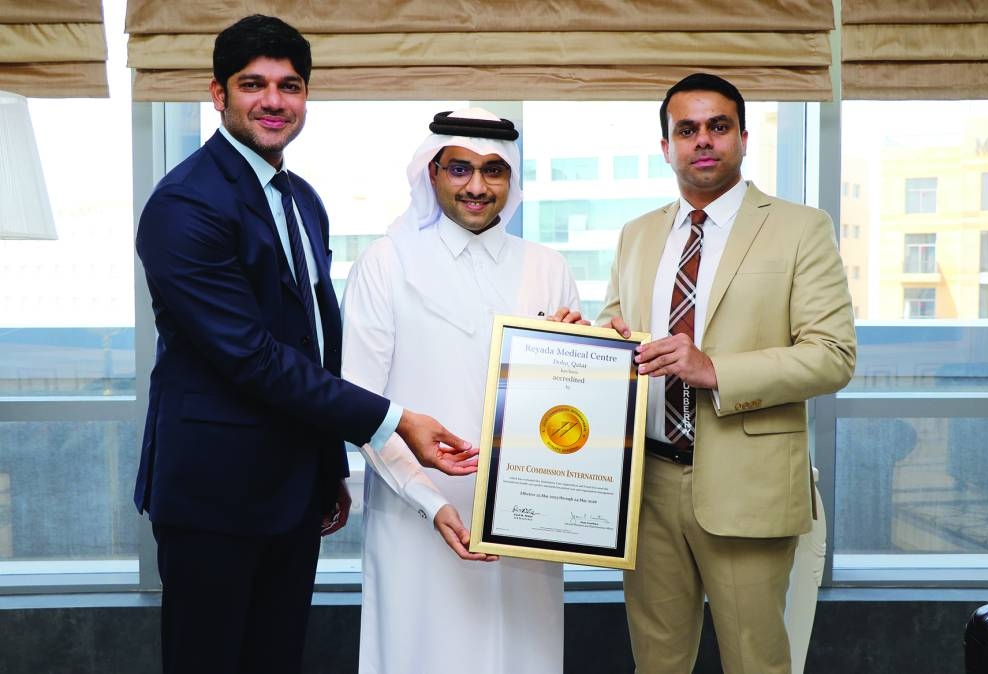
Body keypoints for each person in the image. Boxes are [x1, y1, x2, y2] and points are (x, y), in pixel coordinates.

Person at [133, 15, 475, 674]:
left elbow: (313, 342)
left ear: (305, 97)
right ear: (218, 94)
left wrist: (325, 467)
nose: (273, 101)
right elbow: (251, 356)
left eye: (289, 86)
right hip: (213, 495)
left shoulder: (302, 200)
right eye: (252, 84)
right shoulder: (185, 205)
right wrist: (395, 421)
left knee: (275, 659)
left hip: (290, 491)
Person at [597, 73, 856, 673]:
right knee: (657, 662)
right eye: (686, 130)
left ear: (743, 138)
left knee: (755, 663)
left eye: (718, 127)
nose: (703, 141)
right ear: (666, 147)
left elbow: (833, 354)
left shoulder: (800, 228)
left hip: (750, 484)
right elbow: (619, 333)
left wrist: (715, 370)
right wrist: (580, 340)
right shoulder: (637, 236)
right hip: (648, 485)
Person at [340, 108, 581, 674]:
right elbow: (363, 408)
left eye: (494, 171)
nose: (477, 186)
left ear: (511, 180)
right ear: (432, 173)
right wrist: (432, 504)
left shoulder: (548, 268)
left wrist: (591, 356)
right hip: (416, 518)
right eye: (460, 169)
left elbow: (572, 405)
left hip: (527, 527)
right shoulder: (386, 264)